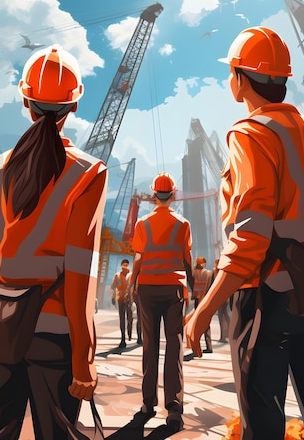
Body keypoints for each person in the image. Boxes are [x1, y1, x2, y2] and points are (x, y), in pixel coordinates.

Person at [186, 27, 304, 440]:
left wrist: (206, 309)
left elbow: (251, 233)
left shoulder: (249, 133)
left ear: (241, 79)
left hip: (268, 296)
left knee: (262, 426)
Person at [0, 45, 107, 440]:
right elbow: (80, 273)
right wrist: (84, 356)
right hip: (54, 337)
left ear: (26, 101)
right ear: (73, 106)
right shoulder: (88, 173)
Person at [129, 172, 193, 434]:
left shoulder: (142, 224)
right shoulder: (183, 224)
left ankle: (147, 404)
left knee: (150, 346)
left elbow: (138, 259)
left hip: (147, 289)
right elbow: (187, 259)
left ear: (154, 195)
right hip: (174, 290)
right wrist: (192, 289)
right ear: (173, 195)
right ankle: (174, 407)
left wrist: (134, 285)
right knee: (174, 345)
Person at [191, 256, 213, 353]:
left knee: (196, 324)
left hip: (197, 300)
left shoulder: (193, 273)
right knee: (206, 323)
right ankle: (209, 345)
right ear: (204, 263)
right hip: (206, 300)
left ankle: (197, 346)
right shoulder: (208, 273)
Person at [111, 258, 133, 348]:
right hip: (120, 299)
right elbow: (113, 287)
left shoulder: (131, 275)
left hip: (129, 299)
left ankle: (129, 331)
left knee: (130, 318)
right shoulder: (117, 275)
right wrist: (112, 297)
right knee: (122, 319)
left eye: (126, 264)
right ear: (121, 265)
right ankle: (123, 338)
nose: (125, 266)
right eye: (123, 264)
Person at [213, 259, 229, 343]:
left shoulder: (217, 273)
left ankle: (223, 337)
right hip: (224, 298)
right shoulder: (224, 272)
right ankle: (225, 336)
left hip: (221, 298)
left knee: (222, 317)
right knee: (225, 317)